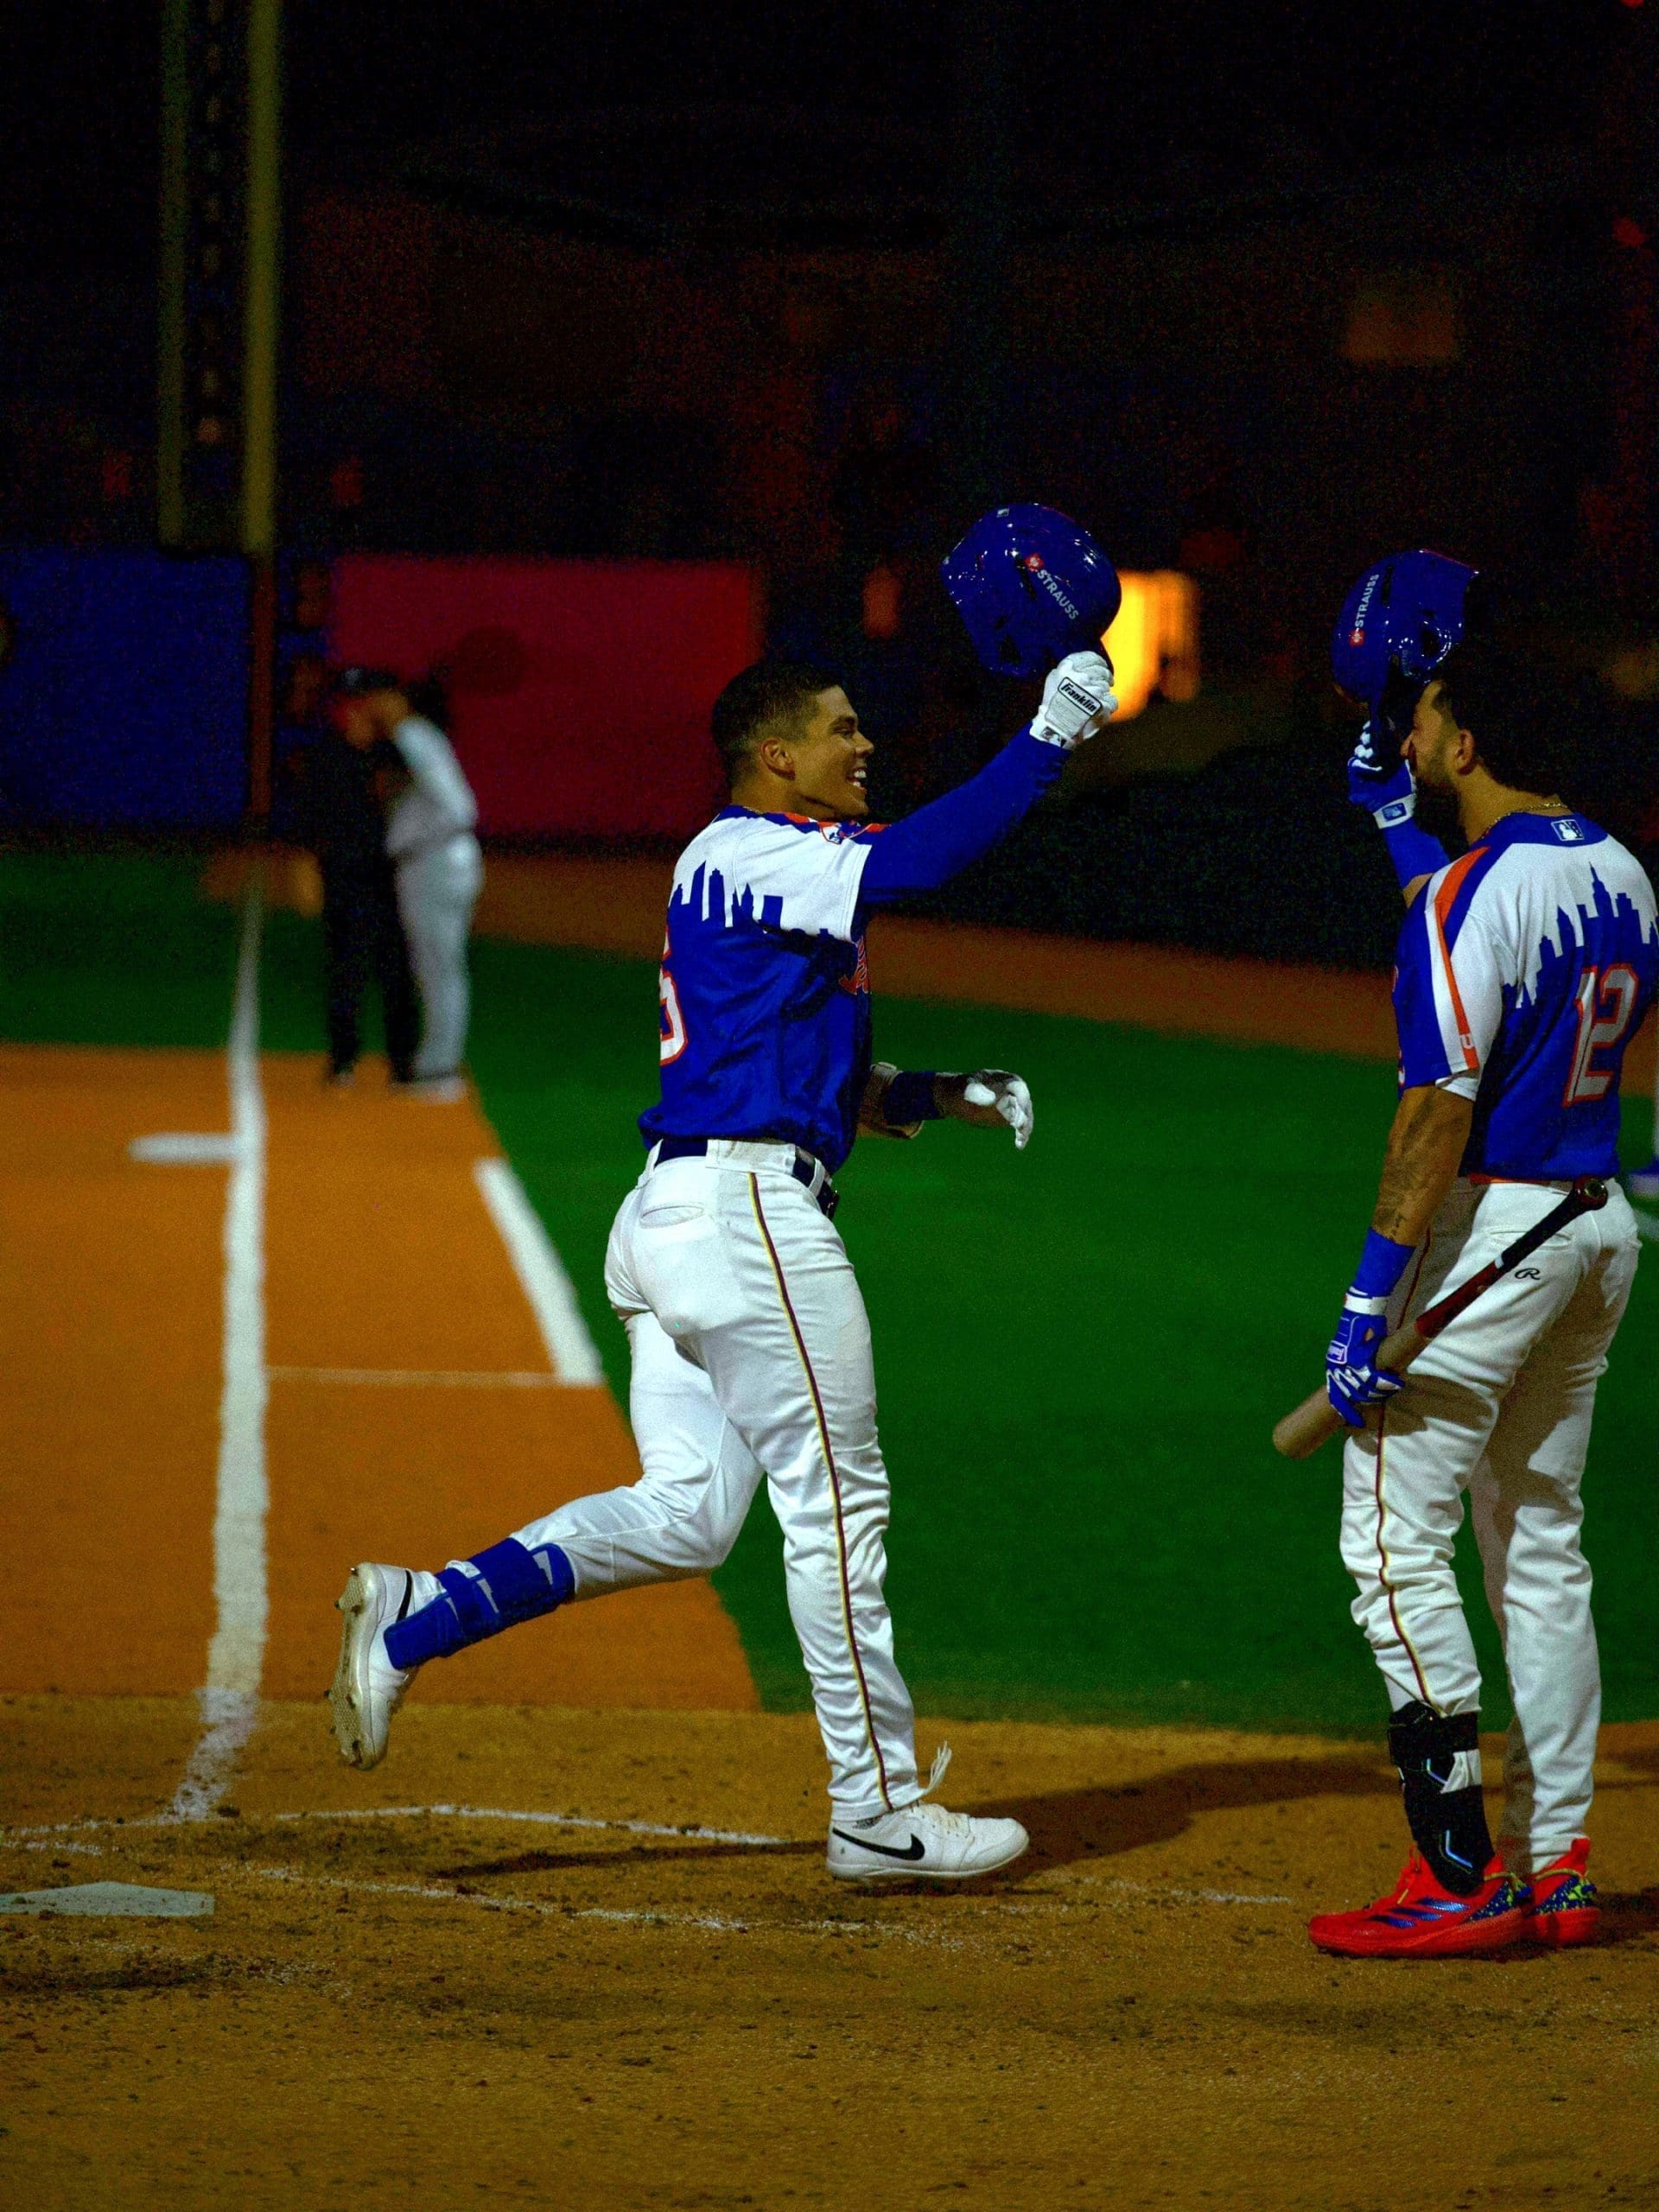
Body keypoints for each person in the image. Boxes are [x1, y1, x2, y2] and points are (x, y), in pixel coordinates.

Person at [328, 512, 1122, 1884]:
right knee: (840, 1504)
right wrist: (1049, 726)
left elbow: (819, 1083)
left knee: (693, 1512)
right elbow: (927, 859)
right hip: (748, 1223)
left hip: (686, 1214)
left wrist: (939, 1092)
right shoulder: (751, 848)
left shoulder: (771, 875)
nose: (862, 744)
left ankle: (417, 1616)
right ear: (774, 756)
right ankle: (875, 1807)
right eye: (839, 728)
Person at [1309, 631, 1657, 1958]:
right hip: (1596, 1228)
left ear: (1467, 744)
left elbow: (1435, 1108)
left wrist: (1365, 1305)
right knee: (1542, 1544)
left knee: (1392, 1540)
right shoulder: (1620, 871)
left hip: (1493, 1239)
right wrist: (1396, 829)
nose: (1408, 739)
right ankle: (1558, 1865)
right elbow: (1495, 945)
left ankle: (1457, 1871)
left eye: (1425, 725)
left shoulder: (1472, 895)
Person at [330, 666, 484, 1100]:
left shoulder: (412, 736)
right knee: (439, 968)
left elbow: (457, 807)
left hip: (435, 862)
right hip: (440, 859)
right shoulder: (415, 737)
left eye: (378, 696)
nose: (371, 705)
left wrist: (416, 842)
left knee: (439, 969)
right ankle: (436, 1063)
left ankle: (438, 1068)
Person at [300, 677, 420, 1090]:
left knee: (397, 972)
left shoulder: (397, 754)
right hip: (344, 877)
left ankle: (403, 1063)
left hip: (391, 877)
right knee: (345, 970)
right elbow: (312, 819)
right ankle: (342, 1060)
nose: (355, 711)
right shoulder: (329, 755)